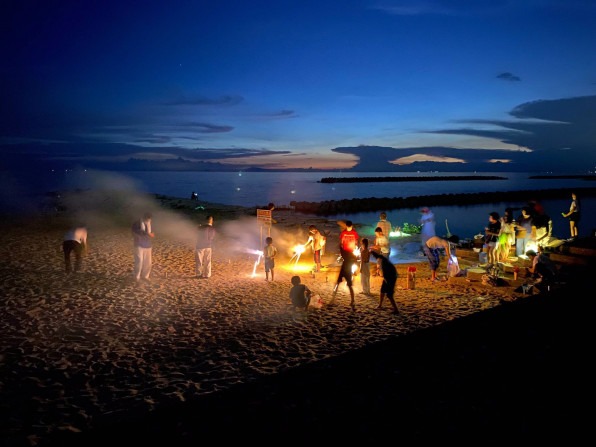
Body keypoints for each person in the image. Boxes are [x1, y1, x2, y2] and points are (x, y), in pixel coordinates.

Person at [132, 212, 154, 282]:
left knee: (148, 262)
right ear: (145, 218)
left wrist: (150, 235)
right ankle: (137, 277)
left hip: (148, 245)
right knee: (139, 261)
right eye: (149, 219)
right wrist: (147, 234)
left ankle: (145, 276)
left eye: (150, 219)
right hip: (139, 244)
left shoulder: (149, 224)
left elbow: (151, 233)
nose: (150, 220)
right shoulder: (137, 223)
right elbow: (135, 231)